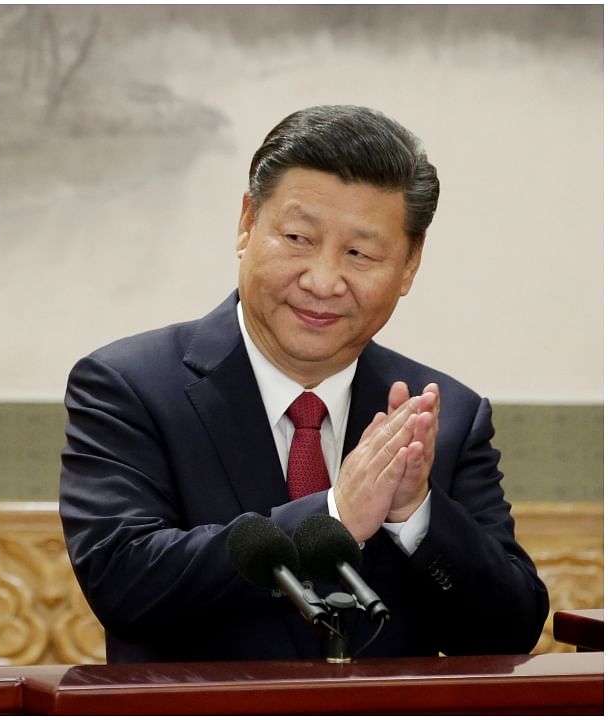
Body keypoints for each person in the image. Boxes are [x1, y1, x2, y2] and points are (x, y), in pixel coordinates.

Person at [59, 105, 548, 663]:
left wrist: (416, 513)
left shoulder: (443, 415)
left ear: (410, 265)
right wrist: (335, 515)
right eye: (297, 237)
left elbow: (512, 629)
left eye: (360, 254)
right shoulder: (129, 386)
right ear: (247, 223)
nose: (321, 281)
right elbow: (124, 581)